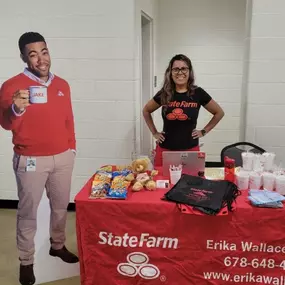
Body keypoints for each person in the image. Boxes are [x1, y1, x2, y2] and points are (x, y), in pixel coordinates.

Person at [0, 32, 78, 285]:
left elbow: (68, 120)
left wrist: (71, 149)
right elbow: (5, 123)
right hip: (30, 159)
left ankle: (57, 245)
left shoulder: (62, 85)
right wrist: (16, 108)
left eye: (44, 51)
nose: (41, 59)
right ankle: (26, 261)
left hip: (62, 158)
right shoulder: (12, 86)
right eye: (33, 54)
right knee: (28, 212)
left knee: (59, 207)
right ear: (24, 57)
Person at [143, 54, 225, 167]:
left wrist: (204, 131)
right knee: (163, 183)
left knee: (191, 183)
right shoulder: (164, 93)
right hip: (165, 150)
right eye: (176, 69)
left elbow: (219, 113)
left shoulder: (198, 93)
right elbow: (146, 110)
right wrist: (154, 132)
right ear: (170, 72)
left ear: (189, 71)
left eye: (184, 68)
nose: (180, 72)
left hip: (190, 150)